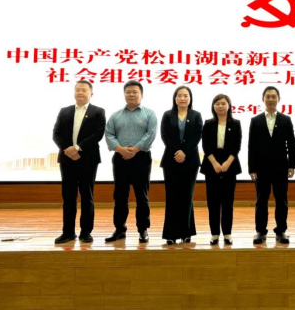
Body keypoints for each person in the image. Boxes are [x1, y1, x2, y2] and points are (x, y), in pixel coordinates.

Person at [52, 80, 106, 244]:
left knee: (87, 196)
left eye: (84, 90)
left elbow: (98, 134)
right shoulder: (65, 111)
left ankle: (86, 232)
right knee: (68, 196)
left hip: (88, 159)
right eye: (77, 90)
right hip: (67, 159)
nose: (80, 92)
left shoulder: (98, 111)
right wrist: (68, 150)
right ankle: (68, 232)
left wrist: (77, 148)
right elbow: (56, 133)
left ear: (91, 93)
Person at [104, 80, 157, 243]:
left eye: (135, 92)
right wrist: (121, 149)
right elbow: (109, 134)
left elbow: (151, 134)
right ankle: (120, 229)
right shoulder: (116, 115)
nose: (131, 94)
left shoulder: (149, 114)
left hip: (141, 158)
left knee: (142, 195)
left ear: (142, 95)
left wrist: (134, 149)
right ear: (124, 94)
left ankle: (143, 229)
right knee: (120, 195)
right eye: (128, 92)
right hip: (120, 158)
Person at [248, 86, 295, 245]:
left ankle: (281, 230)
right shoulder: (255, 120)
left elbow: (291, 144)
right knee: (261, 200)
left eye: (273, 96)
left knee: (281, 199)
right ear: (263, 99)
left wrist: (291, 165)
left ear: (278, 99)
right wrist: (252, 168)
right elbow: (252, 146)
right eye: (267, 96)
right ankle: (260, 230)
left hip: (280, 167)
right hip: (261, 167)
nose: (270, 99)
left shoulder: (285, 120)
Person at [160, 86, 203, 245]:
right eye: (180, 95)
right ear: (175, 98)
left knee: (187, 197)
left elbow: (197, 136)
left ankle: (186, 232)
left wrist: (184, 152)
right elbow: (164, 135)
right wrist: (177, 152)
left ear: (190, 98)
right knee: (172, 197)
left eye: (186, 95)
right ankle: (170, 234)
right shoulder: (167, 115)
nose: (183, 98)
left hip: (190, 161)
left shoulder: (196, 115)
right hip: (171, 160)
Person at [200, 94, 242, 245]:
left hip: (230, 165)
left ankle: (227, 233)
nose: (220, 106)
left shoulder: (236, 124)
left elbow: (237, 146)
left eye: (223, 103)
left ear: (229, 106)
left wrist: (227, 164)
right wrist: (215, 164)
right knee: (213, 202)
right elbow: (205, 145)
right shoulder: (208, 123)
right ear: (213, 106)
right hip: (212, 165)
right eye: (217, 103)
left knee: (228, 202)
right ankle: (214, 234)